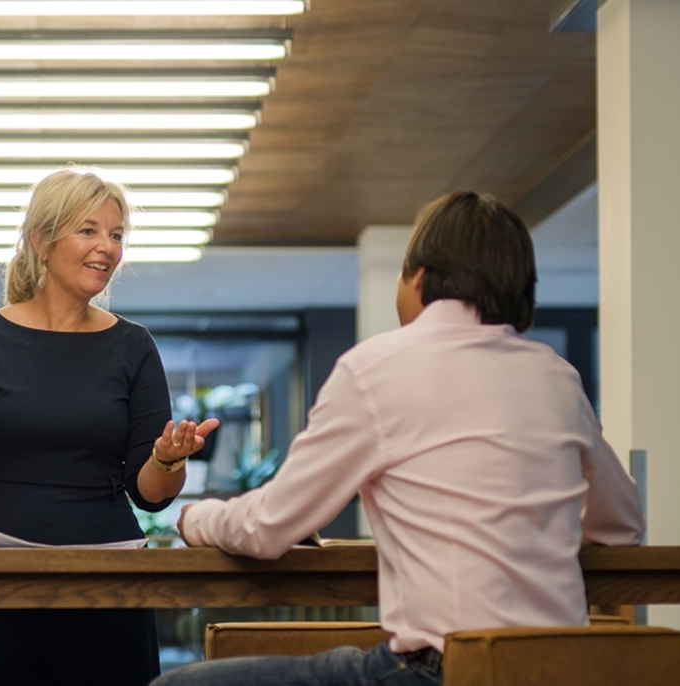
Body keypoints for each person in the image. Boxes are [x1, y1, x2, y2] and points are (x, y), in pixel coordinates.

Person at [158, 191, 645, 686]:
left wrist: (197, 517)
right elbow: (621, 525)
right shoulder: (557, 376)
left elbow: (267, 528)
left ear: (418, 279)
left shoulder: (375, 370)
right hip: (563, 668)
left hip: (444, 671)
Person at [0, 168, 219, 686]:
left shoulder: (133, 346)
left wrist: (168, 458)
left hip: (108, 591)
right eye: (89, 230)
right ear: (41, 240)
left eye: (117, 234)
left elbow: (149, 496)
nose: (107, 246)